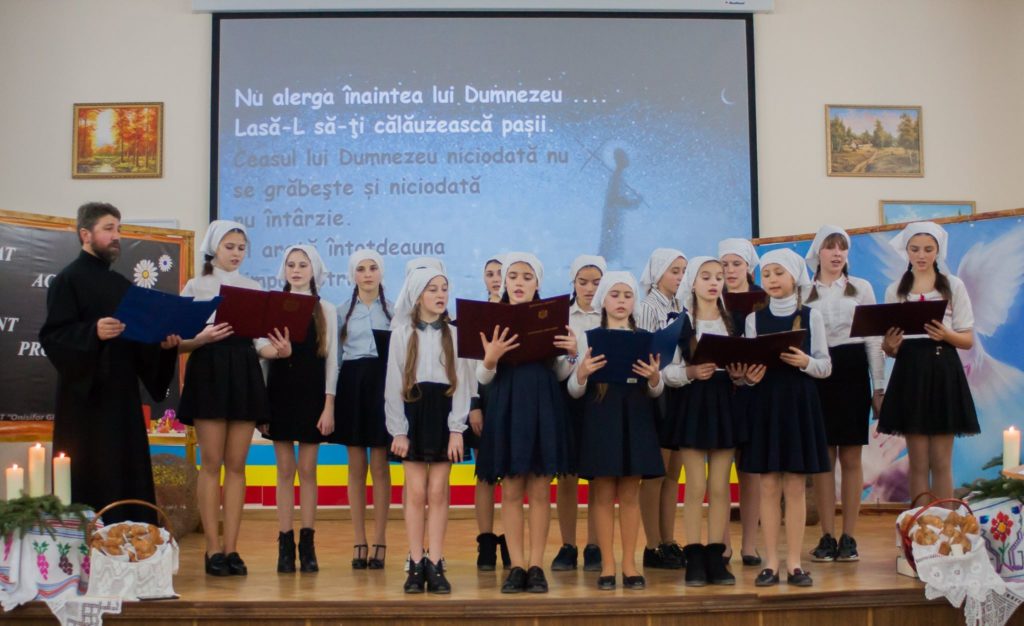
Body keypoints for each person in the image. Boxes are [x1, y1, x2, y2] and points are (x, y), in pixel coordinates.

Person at [40, 202, 180, 523]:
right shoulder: (67, 280)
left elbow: (139, 346)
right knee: (90, 476)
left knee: (126, 474)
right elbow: (53, 337)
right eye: (108, 229)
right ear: (85, 234)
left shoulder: (122, 286)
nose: (117, 236)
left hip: (122, 402)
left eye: (119, 229)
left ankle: (129, 542)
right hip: (84, 406)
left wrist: (163, 347)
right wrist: (93, 332)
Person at [475, 252, 577, 594]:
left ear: (537, 284)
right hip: (506, 404)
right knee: (511, 489)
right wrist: (491, 358)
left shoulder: (551, 318)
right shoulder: (493, 319)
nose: (519, 282)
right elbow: (483, 377)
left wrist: (572, 353)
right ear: (504, 281)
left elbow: (559, 371)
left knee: (540, 490)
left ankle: (536, 565)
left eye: (527, 277)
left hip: (543, 404)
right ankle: (516, 565)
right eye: (513, 276)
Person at [177, 220, 270, 576]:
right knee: (212, 462)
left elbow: (260, 342)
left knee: (236, 465)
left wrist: (276, 350)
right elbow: (178, 341)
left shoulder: (254, 287)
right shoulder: (196, 285)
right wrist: (202, 338)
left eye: (241, 248)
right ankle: (212, 549)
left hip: (244, 370)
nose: (236, 253)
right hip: (209, 369)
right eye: (230, 246)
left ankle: (232, 548)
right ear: (214, 247)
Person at [740, 248, 831, 587]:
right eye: (767, 274)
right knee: (767, 485)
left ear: (794, 277)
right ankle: (770, 563)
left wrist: (805, 362)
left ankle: (794, 563)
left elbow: (825, 366)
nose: (772, 279)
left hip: (798, 403)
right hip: (766, 403)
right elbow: (747, 369)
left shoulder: (811, 316)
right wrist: (750, 377)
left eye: (779, 273)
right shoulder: (754, 319)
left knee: (794, 485)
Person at [570, 271, 665, 590]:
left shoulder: (646, 338)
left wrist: (654, 377)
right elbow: (574, 390)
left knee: (629, 494)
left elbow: (656, 389)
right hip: (602, 415)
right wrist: (582, 373)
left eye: (627, 295)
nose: (621, 301)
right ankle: (608, 564)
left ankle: (629, 564)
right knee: (602, 493)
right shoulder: (589, 337)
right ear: (603, 300)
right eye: (615, 294)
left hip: (635, 415)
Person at [386, 267, 473, 594]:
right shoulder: (401, 333)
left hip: (443, 414)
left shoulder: (456, 334)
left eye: (444, 288)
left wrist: (457, 429)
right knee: (416, 491)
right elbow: (393, 384)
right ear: (417, 295)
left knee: (437, 491)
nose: (440, 294)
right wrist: (398, 429)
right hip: (412, 414)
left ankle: (435, 562)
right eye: (432, 289)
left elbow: (463, 384)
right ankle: (415, 561)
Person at [663, 257, 748, 586]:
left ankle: (716, 555)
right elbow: (667, 372)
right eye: (706, 277)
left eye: (718, 277)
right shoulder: (680, 324)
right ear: (693, 283)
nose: (714, 283)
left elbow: (744, 366)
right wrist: (690, 372)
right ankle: (694, 556)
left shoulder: (734, 322)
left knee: (720, 486)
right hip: (693, 404)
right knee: (696, 485)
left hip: (725, 402)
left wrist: (739, 375)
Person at [802, 226, 885, 564]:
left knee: (851, 457)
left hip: (852, 371)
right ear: (818, 253)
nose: (837, 253)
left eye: (842, 248)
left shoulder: (861, 288)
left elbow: (874, 339)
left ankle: (849, 536)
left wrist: (879, 387)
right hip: (817, 373)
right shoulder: (804, 290)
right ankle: (826, 535)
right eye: (830, 247)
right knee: (823, 459)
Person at [879, 221, 978, 501]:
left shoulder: (953, 286)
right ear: (907, 251)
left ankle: (945, 522)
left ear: (937, 251)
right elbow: (889, 346)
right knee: (918, 461)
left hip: (943, 369)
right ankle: (921, 521)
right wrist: (890, 346)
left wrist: (946, 334)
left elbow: (967, 339)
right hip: (910, 372)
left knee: (942, 461)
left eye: (928, 249)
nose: (921, 255)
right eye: (915, 249)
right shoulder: (895, 290)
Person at [257, 245, 337, 574]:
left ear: (313, 269)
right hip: (279, 395)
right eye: (291, 264)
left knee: (308, 470)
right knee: (284, 471)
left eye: (303, 264)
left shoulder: (326, 308)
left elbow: (332, 361)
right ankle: (285, 543)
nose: (296, 270)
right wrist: (262, 407)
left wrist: (329, 405)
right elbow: (261, 352)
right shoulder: (272, 304)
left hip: (312, 396)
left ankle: (308, 542)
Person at [328, 249, 394, 570]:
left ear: (381, 272)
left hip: (382, 386)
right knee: (356, 467)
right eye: (361, 269)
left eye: (373, 268)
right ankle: (359, 539)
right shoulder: (340, 312)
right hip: (352, 386)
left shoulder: (395, 311)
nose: (367, 274)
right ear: (352, 275)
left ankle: (380, 539)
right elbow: (335, 360)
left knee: (380, 466)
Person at [635, 248, 688, 570]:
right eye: (674, 271)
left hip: (680, 392)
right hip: (656, 395)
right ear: (657, 274)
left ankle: (668, 540)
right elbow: (645, 357)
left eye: (683, 271)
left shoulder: (681, 306)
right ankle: (651, 545)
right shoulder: (646, 307)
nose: (680, 277)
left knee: (672, 475)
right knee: (655, 474)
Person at [552, 254, 606, 573]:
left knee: (598, 476)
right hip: (568, 400)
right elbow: (557, 370)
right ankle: (568, 545)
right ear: (573, 283)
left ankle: (595, 545)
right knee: (568, 476)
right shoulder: (562, 316)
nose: (590, 288)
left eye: (596, 283)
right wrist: (573, 358)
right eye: (583, 282)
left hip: (602, 398)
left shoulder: (611, 312)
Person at [717, 237, 764, 566]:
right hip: (720, 393)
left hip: (755, 392)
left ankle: (750, 544)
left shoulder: (763, 300)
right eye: (724, 264)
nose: (730, 270)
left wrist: (751, 373)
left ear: (748, 266)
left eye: (736, 264)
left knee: (750, 470)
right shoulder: (710, 297)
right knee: (720, 471)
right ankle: (722, 544)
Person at [463, 256, 511, 571]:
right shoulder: (477, 316)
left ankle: (510, 540)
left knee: (512, 476)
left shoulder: (519, 314)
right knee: (485, 475)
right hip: (485, 399)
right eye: (490, 274)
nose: (496, 279)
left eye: (501, 274)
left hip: (513, 399)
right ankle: (485, 543)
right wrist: (474, 406)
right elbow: (468, 366)